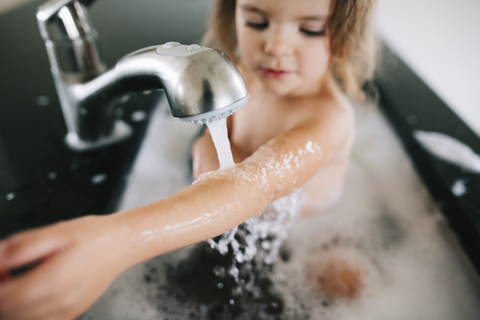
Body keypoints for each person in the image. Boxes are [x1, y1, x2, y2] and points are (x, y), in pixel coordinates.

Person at [0, 0, 377, 319]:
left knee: (339, 284)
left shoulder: (325, 120)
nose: (276, 45)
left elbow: (257, 185)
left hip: (306, 233)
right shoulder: (248, 73)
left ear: (348, 33)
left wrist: (119, 241)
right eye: (256, 21)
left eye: (310, 29)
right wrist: (213, 185)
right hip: (239, 210)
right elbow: (212, 139)